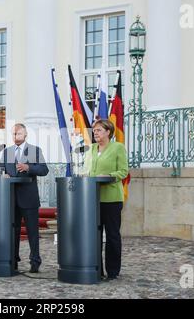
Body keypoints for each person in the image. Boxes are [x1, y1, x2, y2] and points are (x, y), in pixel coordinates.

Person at [0, 123, 49, 273]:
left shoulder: (33, 150)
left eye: (18, 134)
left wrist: (29, 168)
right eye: (13, 134)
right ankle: (13, 260)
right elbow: (0, 169)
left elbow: (44, 170)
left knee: (32, 232)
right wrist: (3, 174)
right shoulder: (7, 152)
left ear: (25, 134)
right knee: (12, 231)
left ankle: (35, 261)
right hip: (10, 198)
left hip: (29, 198)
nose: (15, 136)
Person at [86, 119, 129, 281]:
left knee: (111, 235)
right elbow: (87, 170)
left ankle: (112, 271)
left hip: (111, 199)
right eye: (94, 130)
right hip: (92, 199)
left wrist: (109, 176)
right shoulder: (91, 149)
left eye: (99, 130)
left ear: (108, 132)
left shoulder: (118, 148)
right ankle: (96, 269)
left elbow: (124, 171)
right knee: (94, 235)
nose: (95, 133)